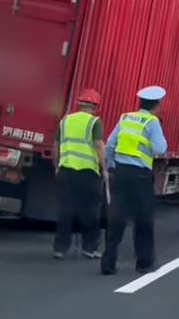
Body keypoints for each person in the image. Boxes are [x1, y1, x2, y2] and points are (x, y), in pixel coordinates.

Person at [100, 85, 168, 275]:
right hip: (140, 177)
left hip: (120, 174)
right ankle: (144, 264)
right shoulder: (152, 122)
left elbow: (110, 145)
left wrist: (111, 166)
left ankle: (108, 263)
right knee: (143, 220)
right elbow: (160, 148)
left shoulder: (125, 118)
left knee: (116, 218)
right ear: (157, 105)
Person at [53, 88, 107, 260]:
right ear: (96, 106)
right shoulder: (94, 122)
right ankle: (89, 248)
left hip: (66, 171)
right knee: (90, 211)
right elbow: (99, 146)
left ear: (79, 103)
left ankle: (60, 249)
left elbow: (56, 146)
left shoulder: (65, 120)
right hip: (88, 173)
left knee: (65, 210)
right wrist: (104, 169)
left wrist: (56, 166)